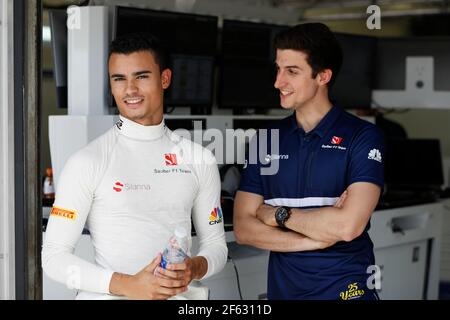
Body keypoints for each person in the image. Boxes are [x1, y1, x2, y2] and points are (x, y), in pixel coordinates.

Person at [42, 33, 227, 300]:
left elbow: (216, 246)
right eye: (119, 79)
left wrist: (194, 267)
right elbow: (53, 258)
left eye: (141, 76)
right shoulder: (87, 161)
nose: (130, 89)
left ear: (165, 79)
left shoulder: (199, 160)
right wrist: (127, 285)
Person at [234, 23, 385, 300]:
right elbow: (244, 229)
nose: (278, 82)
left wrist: (276, 215)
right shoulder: (266, 139)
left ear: (323, 76)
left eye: (292, 71)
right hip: (285, 291)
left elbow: (347, 227)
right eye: (278, 69)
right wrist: (315, 238)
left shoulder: (363, 136)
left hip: (346, 290)